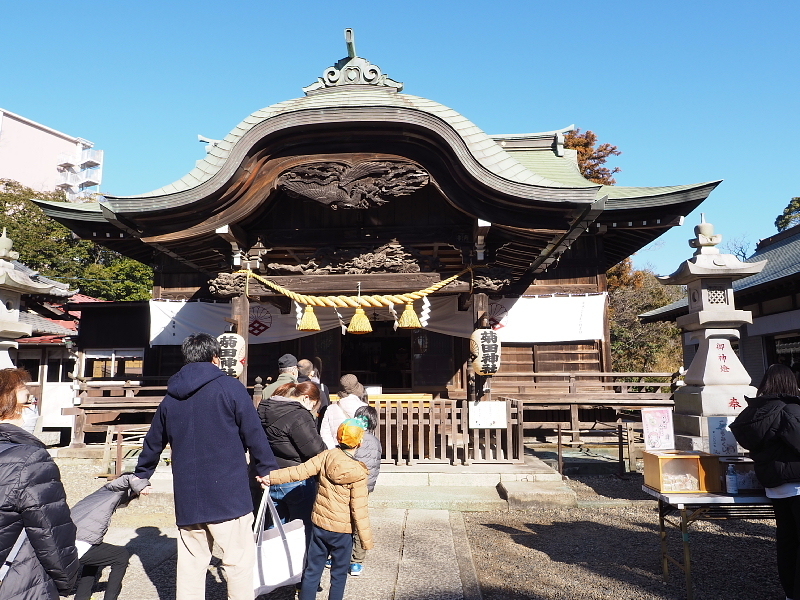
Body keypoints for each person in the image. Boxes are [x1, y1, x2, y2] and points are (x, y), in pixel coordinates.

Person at [134, 333, 278, 600]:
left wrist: (142, 475)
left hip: (189, 495)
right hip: (228, 493)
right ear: (215, 358)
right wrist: (266, 468)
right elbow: (254, 433)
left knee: (191, 565)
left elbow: (153, 441)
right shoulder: (231, 388)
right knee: (238, 563)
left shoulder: (171, 397)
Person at [264, 418, 373, 600]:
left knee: (313, 569)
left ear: (338, 439)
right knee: (338, 575)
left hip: (320, 526)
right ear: (360, 443)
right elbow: (359, 509)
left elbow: (299, 471)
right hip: (342, 531)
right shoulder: (358, 472)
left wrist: (271, 477)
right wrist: (366, 540)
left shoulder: (327, 456)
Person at [0, 367, 79, 600]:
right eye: (27, 400)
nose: (33, 407)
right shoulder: (29, 460)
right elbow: (51, 533)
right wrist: (66, 582)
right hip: (17, 581)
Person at [730, 363, 800, 600]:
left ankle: (790, 593)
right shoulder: (789, 409)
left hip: (775, 488)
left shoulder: (755, 413)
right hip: (798, 483)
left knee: (787, 543)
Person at [257, 381, 326, 544]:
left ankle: (273, 564)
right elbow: (315, 449)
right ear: (306, 398)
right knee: (300, 527)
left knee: (274, 528)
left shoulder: (264, 407)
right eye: (313, 404)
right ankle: (299, 566)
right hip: (295, 477)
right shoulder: (299, 415)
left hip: (270, 475)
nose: (312, 408)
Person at [69, 473, 150, 600]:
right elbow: (127, 477)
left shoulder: (99, 497)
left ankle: (82, 597)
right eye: (133, 496)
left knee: (96, 556)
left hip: (65, 543)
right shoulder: (113, 491)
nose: (130, 499)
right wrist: (140, 486)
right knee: (121, 556)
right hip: (76, 546)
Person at [349, 406, 381, 576]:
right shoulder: (375, 442)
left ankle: (335, 556)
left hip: (348, 484)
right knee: (360, 521)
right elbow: (375, 467)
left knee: (344, 520)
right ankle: (356, 561)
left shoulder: (351, 437)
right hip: (364, 487)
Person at [320, 374, 367, 449]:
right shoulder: (364, 407)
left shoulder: (331, 409)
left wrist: (333, 450)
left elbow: (325, 433)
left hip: (337, 450)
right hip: (358, 449)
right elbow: (367, 433)